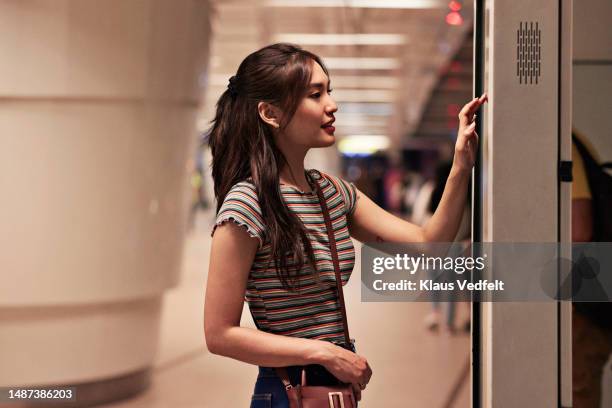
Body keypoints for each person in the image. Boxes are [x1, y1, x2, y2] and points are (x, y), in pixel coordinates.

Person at [203, 43, 487, 408]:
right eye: (314, 94)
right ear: (270, 113)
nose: (331, 105)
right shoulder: (246, 204)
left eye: (329, 91)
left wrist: (461, 166)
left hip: (334, 392)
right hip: (287, 391)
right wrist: (323, 353)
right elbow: (219, 334)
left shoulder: (332, 192)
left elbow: (427, 243)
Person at [571, 129, 612, 408]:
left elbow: (579, 228)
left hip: (585, 302)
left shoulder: (559, 143)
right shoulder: (572, 141)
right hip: (592, 296)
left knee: (578, 389)